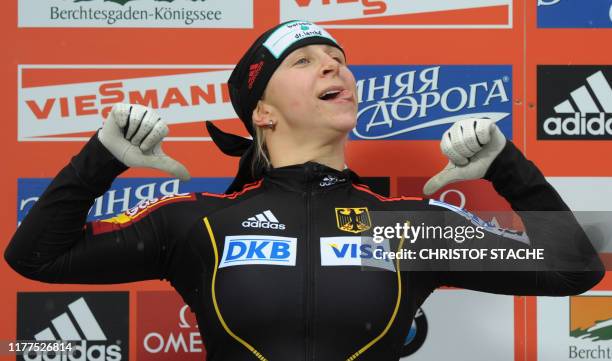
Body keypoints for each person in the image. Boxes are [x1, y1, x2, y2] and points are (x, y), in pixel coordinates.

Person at [5, 20, 604, 361]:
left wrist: (507, 167)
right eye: (306, 60)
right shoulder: (200, 222)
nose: (333, 68)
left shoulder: (409, 226)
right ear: (261, 112)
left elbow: (573, 269)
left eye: (339, 59)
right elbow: (35, 256)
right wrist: (102, 159)